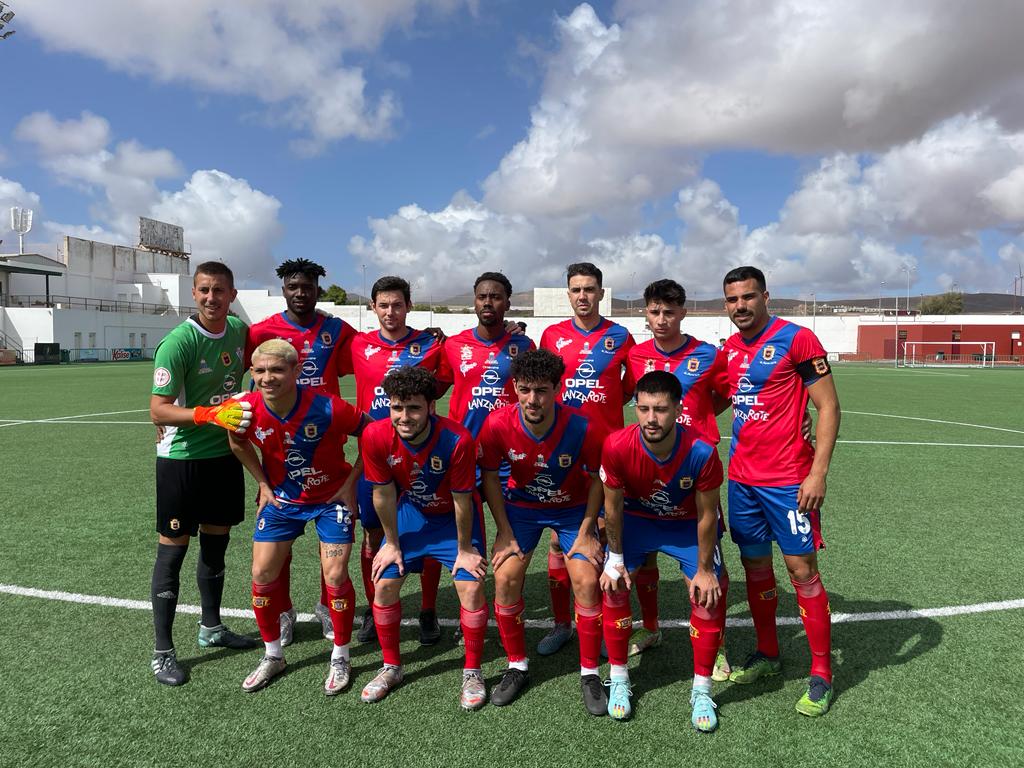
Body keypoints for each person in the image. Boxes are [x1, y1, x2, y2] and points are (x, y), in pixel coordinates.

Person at [720, 265, 841, 717]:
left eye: (748, 297)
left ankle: (822, 672)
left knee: (802, 570)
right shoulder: (730, 348)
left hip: (789, 480)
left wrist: (819, 473)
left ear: (765, 296)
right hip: (743, 481)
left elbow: (828, 406)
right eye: (732, 300)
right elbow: (719, 400)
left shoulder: (797, 339)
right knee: (755, 568)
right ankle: (769, 654)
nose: (740, 307)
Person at [228, 339, 369, 694]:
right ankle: (273, 654)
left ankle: (340, 654)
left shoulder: (326, 407)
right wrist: (262, 483)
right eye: (259, 371)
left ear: (295, 371)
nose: (267, 378)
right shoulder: (244, 408)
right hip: (283, 500)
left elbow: (372, 434)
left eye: (276, 370)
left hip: (330, 498)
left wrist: (351, 483)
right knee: (261, 572)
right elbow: (237, 441)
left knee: (335, 574)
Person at [478, 349, 607, 715]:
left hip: (571, 512)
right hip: (522, 510)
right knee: (505, 578)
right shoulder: (497, 423)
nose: (532, 399)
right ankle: (517, 666)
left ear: (557, 389)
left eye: (542, 391)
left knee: (585, 580)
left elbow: (599, 478)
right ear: (514, 387)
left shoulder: (582, 425)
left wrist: (586, 530)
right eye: (524, 389)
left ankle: (590, 672)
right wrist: (503, 530)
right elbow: (489, 475)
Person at [149, 260, 259, 686]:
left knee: (216, 548)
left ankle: (211, 628)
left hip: (224, 459)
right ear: (193, 294)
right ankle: (162, 652)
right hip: (181, 462)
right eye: (204, 291)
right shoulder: (177, 342)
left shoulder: (239, 332)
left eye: (219, 291)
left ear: (232, 295)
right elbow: (158, 408)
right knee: (172, 554)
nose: (211, 298)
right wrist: (208, 413)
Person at [599, 371, 726, 729]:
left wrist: (704, 569)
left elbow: (706, 515)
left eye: (660, 409)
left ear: (678, 410)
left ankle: (702, 688)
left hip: (685, 523)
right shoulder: (616, 445)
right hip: (638, 521)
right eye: (642, 409)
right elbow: (611, 510)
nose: (651, 419)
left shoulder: (701, 451)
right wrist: (615, 560)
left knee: (709, 593)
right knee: (614, 584)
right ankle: (620, 678)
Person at [359, 367, 489, 710]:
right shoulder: (374, 435)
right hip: (412, 512)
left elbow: (463, 500)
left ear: (431, 407)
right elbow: (384, 495)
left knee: (471, 584)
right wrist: (391, 543)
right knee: (385, 581)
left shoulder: (457, 439)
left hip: (453, 518)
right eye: (397, 407)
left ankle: (472, 671)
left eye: (414, 408)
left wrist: (464, 550)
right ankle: (391, 667)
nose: (404, 416)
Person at [245, 258, 357, 646]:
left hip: (325, 441)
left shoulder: (336, 328)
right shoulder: (261, 331)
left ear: (317, 290)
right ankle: (285, 610)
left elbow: (374, 349)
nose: (300, 293)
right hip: (279, 450)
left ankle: (328, 607)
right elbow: (245, 377)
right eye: (293, 286)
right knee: (279, 546)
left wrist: (426, 336)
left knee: (333, 555)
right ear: (283, 290)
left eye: (307, 286)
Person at [621, 279, 731, 672]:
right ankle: (650, 628)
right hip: (647, 470)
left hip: (694, 471)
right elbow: (624, 395)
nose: (662, 319)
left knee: (706, 567)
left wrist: (696, 424)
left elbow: (727, 394)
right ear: (646, 313)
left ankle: (715, 647)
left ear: (683, 312)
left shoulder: (708, 355)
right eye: (655, 311)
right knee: (644, 560)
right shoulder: (635, 356)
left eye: (670, 311)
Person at [537, 262, 634, 656]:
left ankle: (613, 620)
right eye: (576, 289)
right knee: (560, 540)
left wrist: (604, 413)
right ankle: (563, 623)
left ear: (601, 293)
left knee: (612, 536)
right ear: (568, 294)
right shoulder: (551, 335)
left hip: (608, 453)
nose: (583, 296)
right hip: (562, 451)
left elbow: (629, 388)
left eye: (590, 289)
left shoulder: (620, 336)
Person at [349, 276, 452, 646]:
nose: (390, 312)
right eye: (383, 305)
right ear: (373, 307)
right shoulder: (356, 343)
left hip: (421, 457)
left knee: (426, 530)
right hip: (374, 457)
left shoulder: (431, 344)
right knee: (373, 534)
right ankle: (373, 608)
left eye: (397, 304)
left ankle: (427, 610)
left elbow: (453, 379)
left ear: (408, 305)